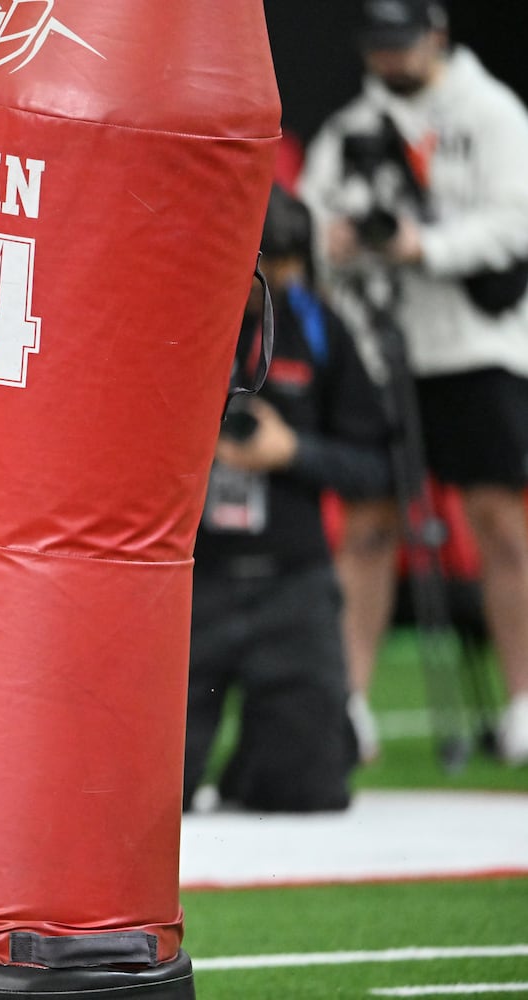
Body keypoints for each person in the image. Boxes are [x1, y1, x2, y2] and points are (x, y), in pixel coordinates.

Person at [298, 0, 528, 766]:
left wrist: (419, 245)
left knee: (498, 520)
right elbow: (312, 228)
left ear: (437, 36)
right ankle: (348, 703)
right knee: (367, 523)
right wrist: (335, 241)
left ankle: (524, 699)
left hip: (475, 348)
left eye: (402, 45)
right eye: (379, 47)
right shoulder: (350, 131)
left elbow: (513, 225)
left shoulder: (493, 114)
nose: (390, 61)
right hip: (381, 351)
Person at [184, 187, 393, 813]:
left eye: (289, 267)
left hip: (292, 583)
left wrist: (292, 452)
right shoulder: (180, 321)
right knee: (151, 798)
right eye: (266, 269)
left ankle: (260, 761)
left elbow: (375, 467)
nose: (280, 282)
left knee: (310, 789)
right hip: (197, 580)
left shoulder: (321, 330)